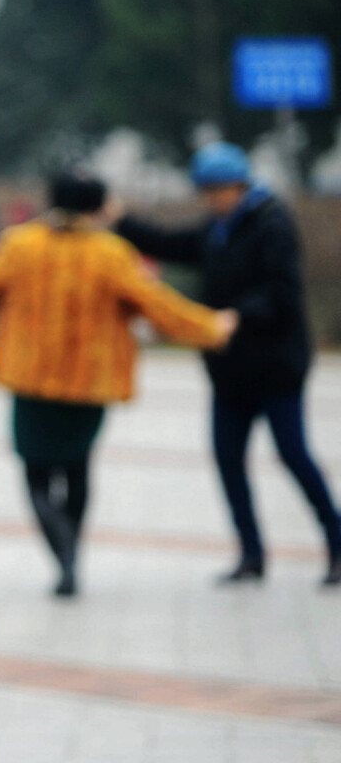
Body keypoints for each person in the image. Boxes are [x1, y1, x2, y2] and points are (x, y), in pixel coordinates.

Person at [0, 173, 236, 596]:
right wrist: (210, 327)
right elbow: (157, 304)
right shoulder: (110, 252)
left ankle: (63, 557)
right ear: (96, 207)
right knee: (77, 467)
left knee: (35, 470)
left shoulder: (22, 243)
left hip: (30, 377)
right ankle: (74, 556)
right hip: (89, 379)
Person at [111, 142, 341, 586]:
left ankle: (336, 544)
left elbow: (283, 291)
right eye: (207, 191)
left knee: (294, 455)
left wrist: (239, 315)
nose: (212, 198)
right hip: (230, 370)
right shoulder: (218, 229)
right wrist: (121, 220)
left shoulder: (271, 224)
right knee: (228, 459)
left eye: (219, 190)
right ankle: (251, 555)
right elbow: (169, 243)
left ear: (240, 186)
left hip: (276, 368)